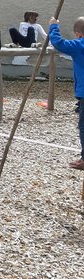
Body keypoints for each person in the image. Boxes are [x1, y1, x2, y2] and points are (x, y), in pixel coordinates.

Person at [47, 16, 84, 170]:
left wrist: (53, 26)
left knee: (83, 126)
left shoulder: (79, 45)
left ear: (77, 33)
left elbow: (58, 43)